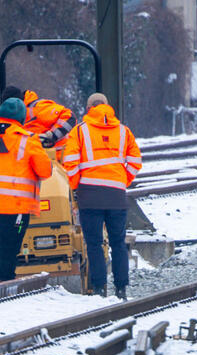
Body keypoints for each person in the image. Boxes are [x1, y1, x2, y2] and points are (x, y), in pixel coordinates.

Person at [63, 92, 142, 299]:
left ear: (89, 108)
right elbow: (135, 161)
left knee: (95, 244)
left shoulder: (79, 132)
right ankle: (121, 289)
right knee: (118, 242)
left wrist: (76, 187)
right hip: (116, 196)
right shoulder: (124, 131)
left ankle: (99, 289)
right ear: (107, 106)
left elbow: (70, 163)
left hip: (90, 197)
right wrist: (120, 182)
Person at [0, 97, 52, 285]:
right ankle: (4, 287)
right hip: (16, 209)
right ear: (21, 119)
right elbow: (44, 171)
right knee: (9, 249)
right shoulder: (28, 140)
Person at [1, 85, 75, 149]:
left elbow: (69, 116)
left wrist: (51, 135)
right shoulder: (13, 118)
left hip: (58, 157)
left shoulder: (38, 108)